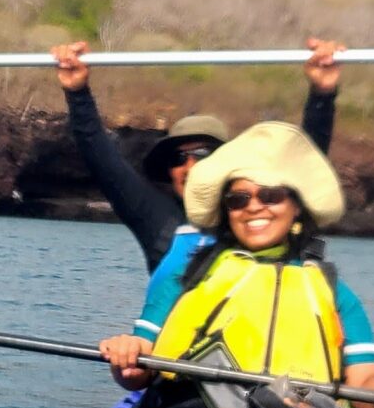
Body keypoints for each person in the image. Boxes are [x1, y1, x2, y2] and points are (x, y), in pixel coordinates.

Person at [97, 122, 374, 408]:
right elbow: (139, 370)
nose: (254, 207)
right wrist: (129, 354)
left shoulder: (336, 295)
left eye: (270, 195)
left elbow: (364, 382)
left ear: (296, 207)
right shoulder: (183, 277)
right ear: (227, 212)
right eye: (239, 200)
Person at [53, 37, 342, 272]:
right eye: (178, 159)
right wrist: (77, 92)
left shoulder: (263, 212)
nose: (189, 166)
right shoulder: (156, 218)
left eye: (202, 153)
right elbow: (101, 157)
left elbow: (304, 161)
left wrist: (323, 93)